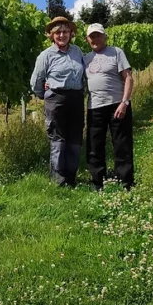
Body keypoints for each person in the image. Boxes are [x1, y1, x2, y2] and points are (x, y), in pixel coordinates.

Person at [30, 16, 86, 187]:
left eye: (65, 32)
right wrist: (46, 95)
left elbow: (84, 74)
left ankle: (71, 176)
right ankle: (58, 180)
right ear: (52, 35)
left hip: (76, 98)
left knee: (75, 137)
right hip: (56, 99)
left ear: (71, 34)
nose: (62, 35)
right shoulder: (46, 55)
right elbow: (36, 81)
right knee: (58, 138)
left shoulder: (77, 51)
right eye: (58, 32)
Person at [82, 23, 134, 190]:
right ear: (87, 39)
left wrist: (124, 102)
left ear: (105, 37)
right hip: (94, 107)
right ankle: (98, 181)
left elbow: (128, 78)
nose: (95, 39)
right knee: (94, 145)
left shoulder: (116, 52)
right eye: (92, 36)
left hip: (117, 105)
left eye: (98, 35)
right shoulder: (85, 59)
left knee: (122, 144)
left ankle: (125, 182)